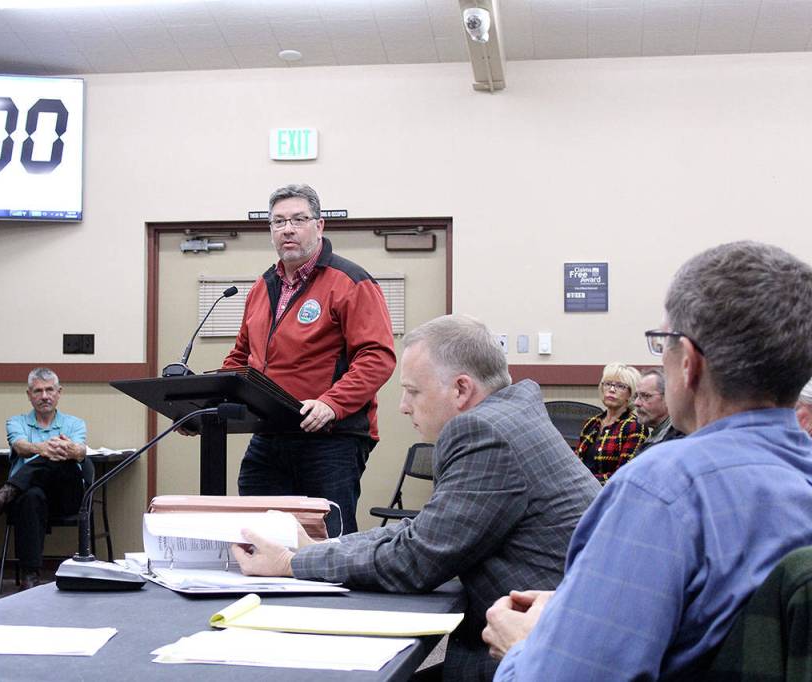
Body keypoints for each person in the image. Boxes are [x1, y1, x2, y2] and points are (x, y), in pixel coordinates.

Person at [483, 241, 812, 681]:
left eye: (663, 343)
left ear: (689, 364)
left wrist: (523, 647)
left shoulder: (662, 491)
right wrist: (575, 612)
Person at [231, 314, 600, 680]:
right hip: (559, 645)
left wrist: (289, 562)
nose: (403, 406)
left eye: (412, 390)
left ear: (460, 389)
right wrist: (316, 549)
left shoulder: (484, 432)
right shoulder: (510, 417)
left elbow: (414, 559)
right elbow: (423, 531)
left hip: (537, 661)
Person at [221, 184, 396, 535]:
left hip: (330, 436)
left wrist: (332, 403)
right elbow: (242, 357)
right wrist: (206, 402)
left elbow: (377, 356)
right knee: (259, 534)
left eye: (299, 219)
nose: (288, 229)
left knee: (327, 539)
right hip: (270, 434)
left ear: (319, 226)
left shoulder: (350, 282)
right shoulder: (261, 287)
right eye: (278, 222)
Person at [0, 367, 87, 590]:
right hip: (31, 497)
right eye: (38, 391)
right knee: (31, 495)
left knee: (61, 460)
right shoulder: (16, 422)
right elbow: (19, 446)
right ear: (29, 395)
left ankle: (5, 493)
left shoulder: (75, 423)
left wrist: (65, 450)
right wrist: (45, 448)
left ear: (59, 392)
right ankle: (30, 576)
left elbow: (81, 452)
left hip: (65, 495)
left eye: (50, 390)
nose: (45, 396)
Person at [574, 362, 647, 482]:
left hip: (609, 494)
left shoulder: (635, 427)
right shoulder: (591, 423)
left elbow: (623, 476)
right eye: (608, 384)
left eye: (620, 386)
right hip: (580, 490)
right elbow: (576, 464)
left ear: (631, 393)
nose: (612, 390)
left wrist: (583, 482)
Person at [633, 367, 684, 455]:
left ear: (668, 397)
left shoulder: (678, 440)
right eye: (636, 396)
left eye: (645, 396)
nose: (636, 403)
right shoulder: (658, 435)